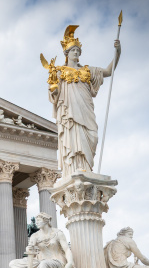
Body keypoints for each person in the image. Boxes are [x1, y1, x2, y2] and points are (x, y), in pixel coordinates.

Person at [46, 25, 120, 178]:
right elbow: (54, 92)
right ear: (67, 53)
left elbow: (108, 71)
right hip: (70, 111)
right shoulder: (60, 72)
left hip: (86, 109)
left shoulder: (87, 71)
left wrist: (118, 52)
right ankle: (75, 168)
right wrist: (54, 91)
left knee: (92, 136)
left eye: (78, 51)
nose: (76, 52)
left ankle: (86, 166)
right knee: (74, 138)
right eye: (73, 50)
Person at [9, 212, 75, 268]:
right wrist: (29, 248)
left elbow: (67, 249)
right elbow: (30, 249)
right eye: (36, 221)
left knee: (44, 264)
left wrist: (70, 262)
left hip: (57, 261)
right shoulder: (35, 236)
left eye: (39, 220)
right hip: (41, 261)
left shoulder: (57, 233)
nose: (36, 223)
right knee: (13, 263)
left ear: (46, 221)